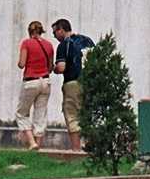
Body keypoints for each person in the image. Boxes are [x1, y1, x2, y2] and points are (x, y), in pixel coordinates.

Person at [52, 18, 96, 153]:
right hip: (90, 82)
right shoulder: (87, 41)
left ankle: (76, 149)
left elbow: (61, 67)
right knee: (88, 115)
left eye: (54, 32)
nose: (54, 36)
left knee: (72, 115)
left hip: (72, 82)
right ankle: (91, 148)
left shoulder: (64, 45)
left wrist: (53, 69)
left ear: (61, 30)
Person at [15, 19, 55, 150]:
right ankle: (39, 143)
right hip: (45, 81)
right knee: (40, 113)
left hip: (31, 81)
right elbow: (50, 67)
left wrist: (22, 62)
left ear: (29, 32)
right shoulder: (49, 45)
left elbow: (21, 64)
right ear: (41, 31)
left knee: (22, 113)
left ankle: (32, 143)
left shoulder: (26, 43)